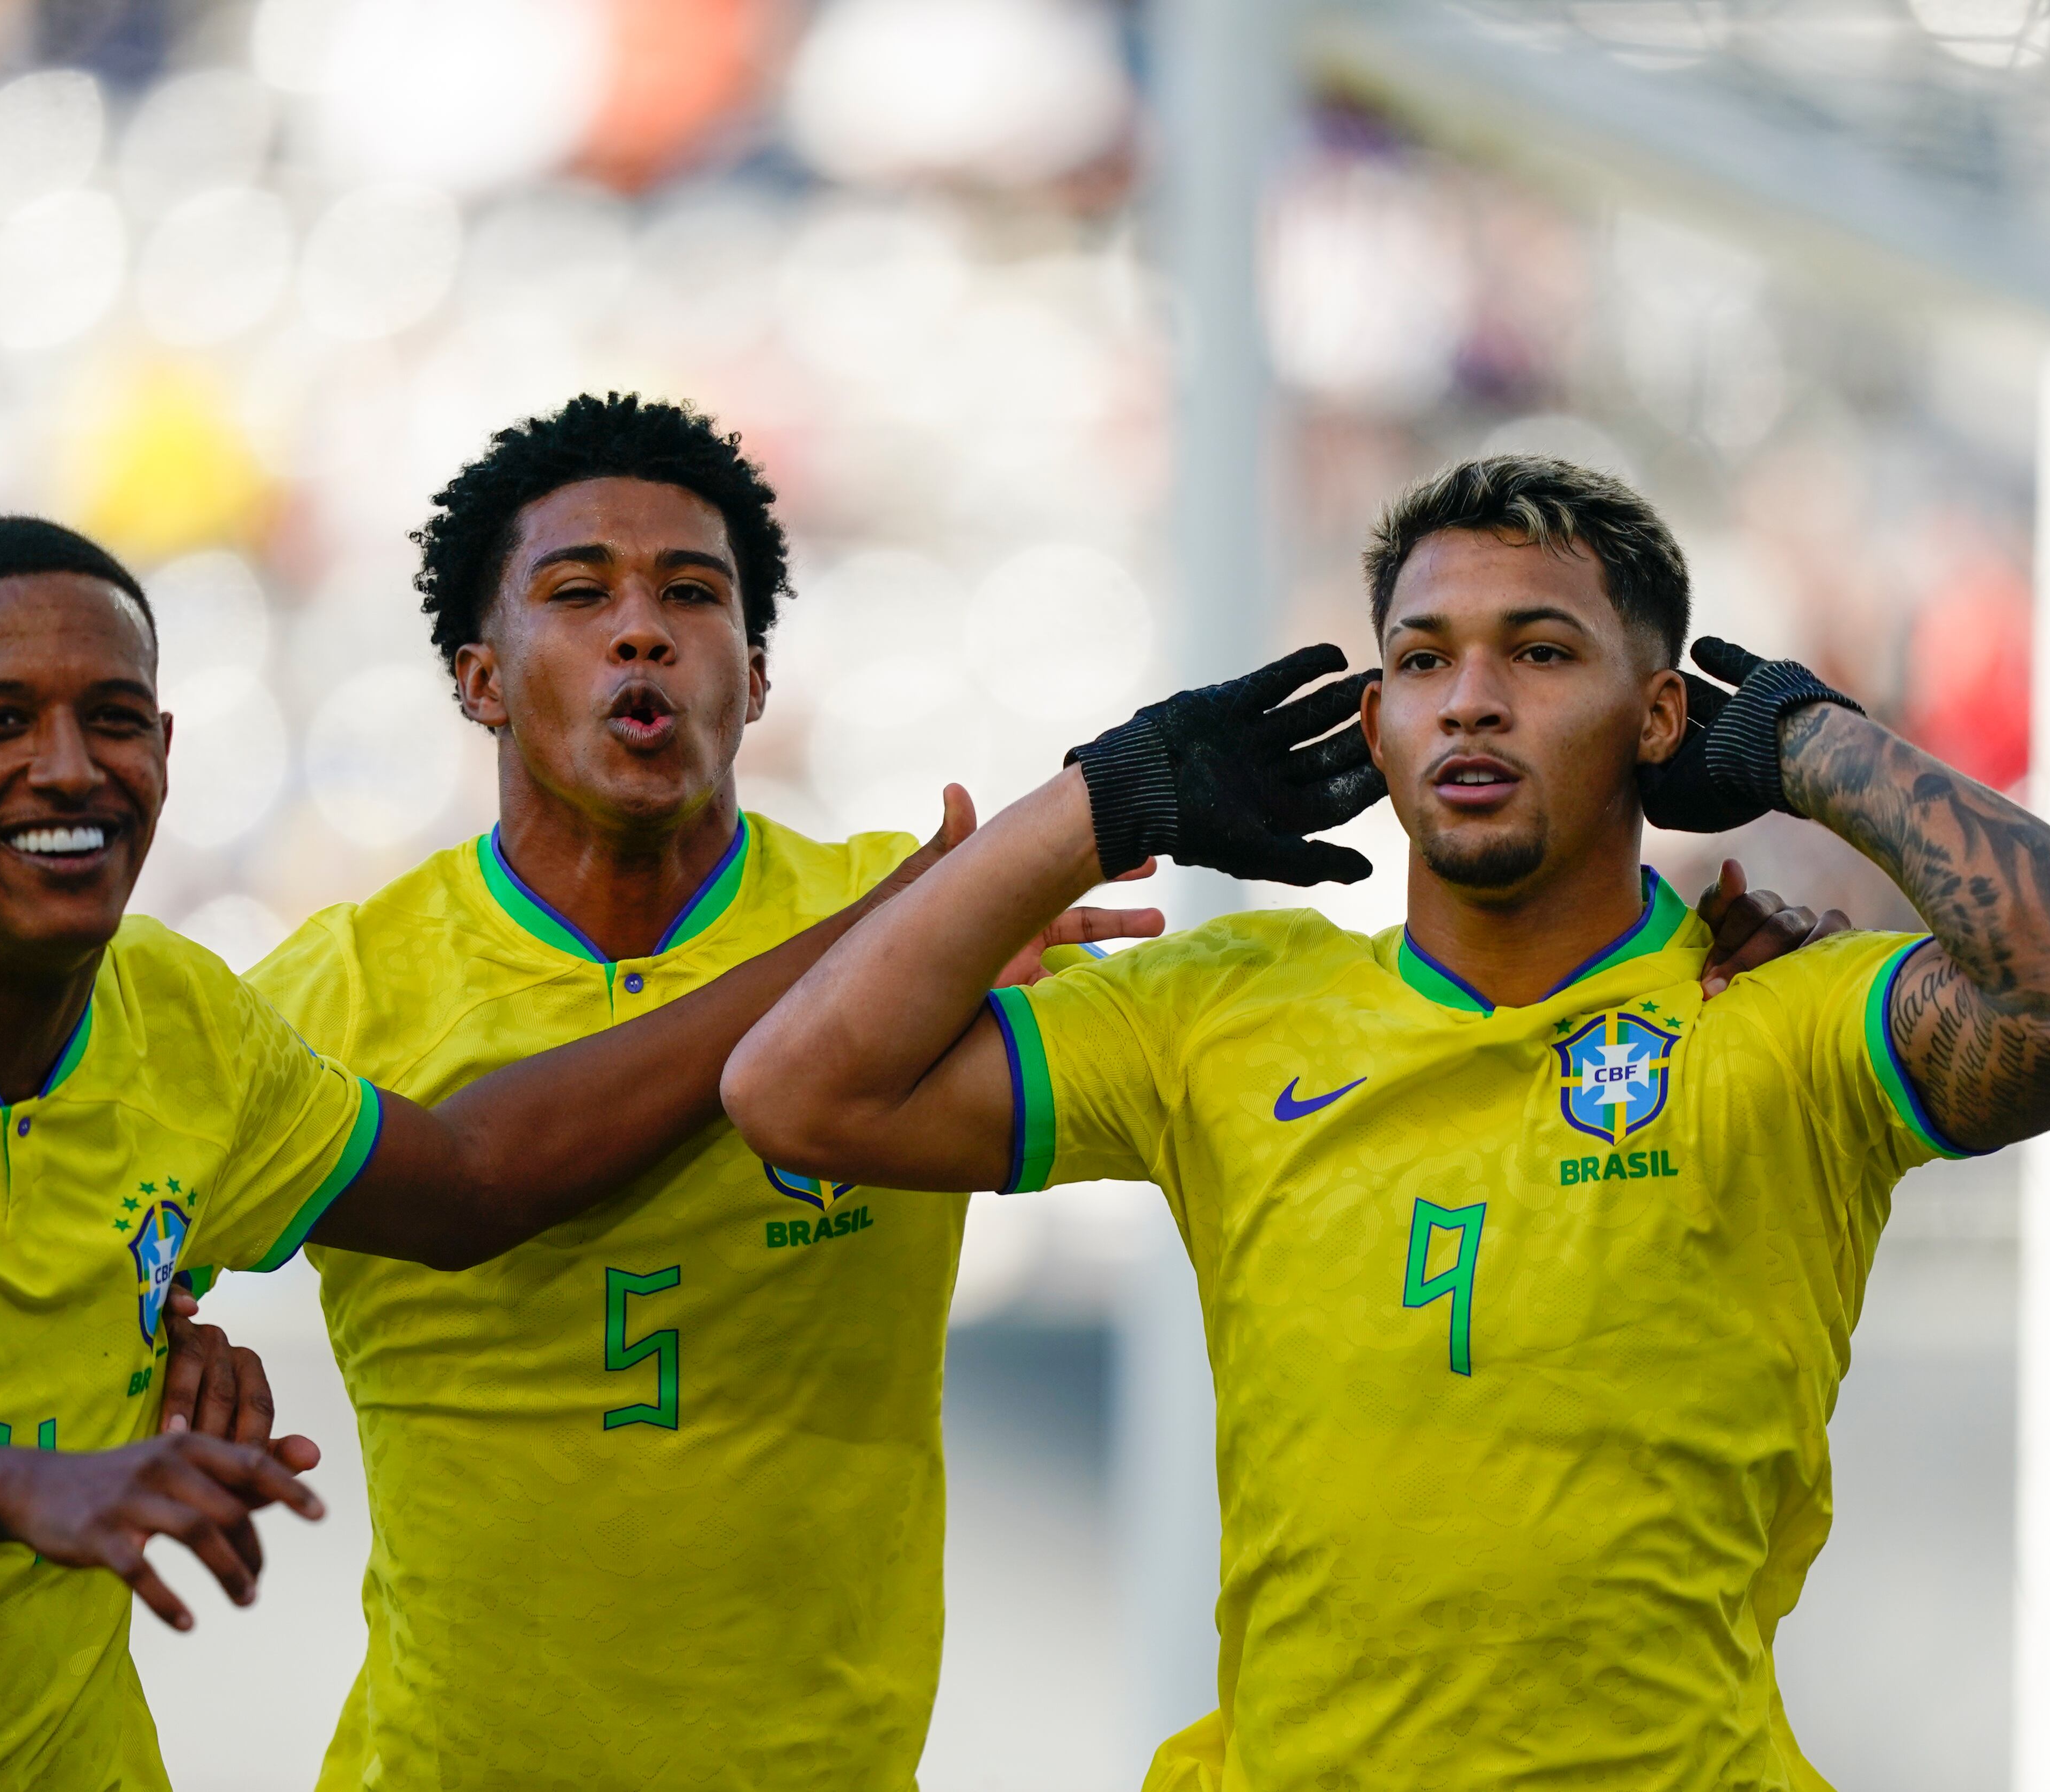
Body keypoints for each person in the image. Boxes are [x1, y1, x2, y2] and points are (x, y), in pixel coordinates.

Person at [239, 398, 1839, 1787]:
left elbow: (1331, 1062)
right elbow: (155, 1213)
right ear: (478, 676)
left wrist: (1664, 964)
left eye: (694, 595)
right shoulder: (351, 987)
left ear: (760, 668)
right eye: (579, 595)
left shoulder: (934, 950)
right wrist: (176, 1339)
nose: (642, 630)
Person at [722, 454, 2050, 1788]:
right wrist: (1110, 799)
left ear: (1664, 718)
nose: (1471, 698)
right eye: (1423, 661)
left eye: (1541, 653)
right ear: (1377, 722)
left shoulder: (1789, 1021)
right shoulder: (1226, 1009)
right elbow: (795, 1093)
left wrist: (1815, 752)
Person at [0, 514, 1029, 1790]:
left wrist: (884, 940)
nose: (68, 770)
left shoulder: (185, 1022)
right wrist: (35, 1486)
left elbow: (468, 1184)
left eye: (118, 720)